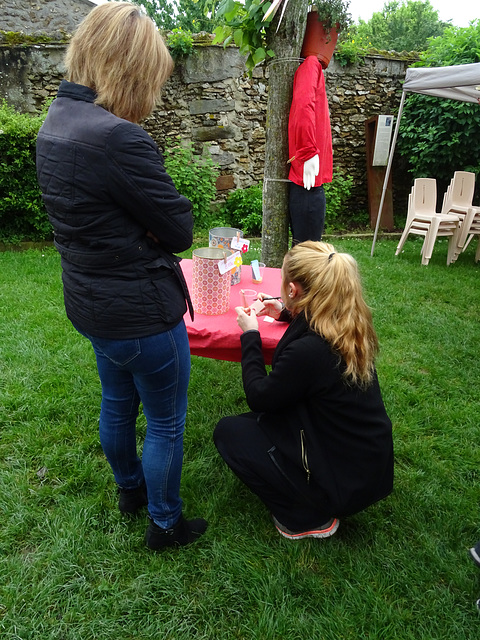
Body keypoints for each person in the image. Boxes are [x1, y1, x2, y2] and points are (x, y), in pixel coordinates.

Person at [36, 2, 207, 551]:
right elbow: (179, 228)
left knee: (116, 401)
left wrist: (140, 227)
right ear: (131, 69)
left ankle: (130, 491)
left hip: (90, 304)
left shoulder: (55, 122)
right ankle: (165, 523)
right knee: (165, 421)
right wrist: (149, 229)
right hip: (140, 311)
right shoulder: (117, 137)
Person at [214, 241, 393, 540]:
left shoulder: (310, 351)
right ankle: (312, 493)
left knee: (229, 433)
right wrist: (286, 312)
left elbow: (260, 397)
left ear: (293, 289)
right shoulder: (345, 321)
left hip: (342, 479)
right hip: (361, 462)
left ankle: (309, 516)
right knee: (249, 427)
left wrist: (251, 335)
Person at [287, 56, 333, 245]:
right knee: (307, 255)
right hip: (307, 185)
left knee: (307, 253)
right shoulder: (311, 64)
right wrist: (308, 152)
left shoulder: (312, 66)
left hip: (309, 185)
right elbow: (303, 105)